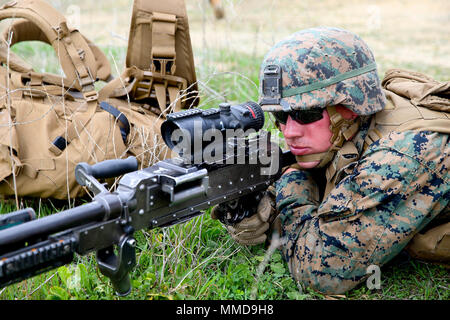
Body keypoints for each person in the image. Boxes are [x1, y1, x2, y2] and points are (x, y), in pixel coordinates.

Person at [211, 27, 449, 294]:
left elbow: (322, 271)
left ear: (348, 107)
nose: (289, 132)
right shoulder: (346, 131)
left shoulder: (403, 154)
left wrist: (291, 180)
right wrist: (259, 207)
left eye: (306, 114)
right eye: (280, 116)